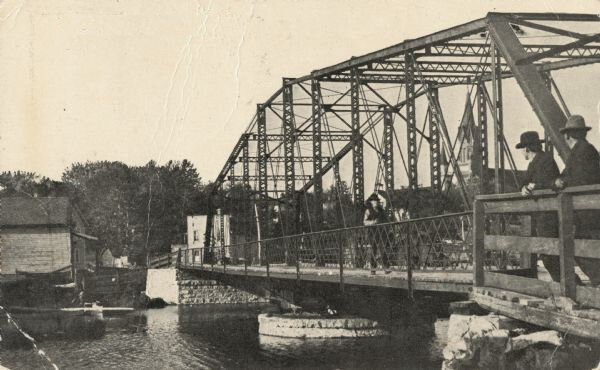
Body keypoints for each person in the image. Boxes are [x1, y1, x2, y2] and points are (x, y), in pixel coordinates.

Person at [553, 115, 600, 286]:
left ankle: (597, 281)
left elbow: (579, 178)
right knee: (583, 248)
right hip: (588, 210)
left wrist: (561, 182)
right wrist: (560, 180)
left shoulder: (583, 151)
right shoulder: (584, 150)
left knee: (578, 247)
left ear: (567, 136)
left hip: (588, 211)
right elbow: (568, 175)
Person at [516, 131, 562, 281]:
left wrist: (535, 186)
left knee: (548, 253)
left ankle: (573, 286)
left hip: (549, 214)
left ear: (527, 149)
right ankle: (570, 285)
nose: (523, 152)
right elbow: (524, 181)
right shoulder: (534, 163)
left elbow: (551, 183)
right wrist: (524, 187)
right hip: (541, 214)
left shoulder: (545, 160)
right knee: (547, 253)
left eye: (523, 149)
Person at [364, 193, 391, 275]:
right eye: (374, 201)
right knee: (373, 250)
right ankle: (373, 268)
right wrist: (373, 222)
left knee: (383, 249)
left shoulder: (381, 210)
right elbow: (365, 222)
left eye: (377, 201)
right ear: (371, 202)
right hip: (373, 232)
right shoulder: (368, 211)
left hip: (381, 231)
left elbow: (386, 219)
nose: (376, 202)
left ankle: (386, 267)